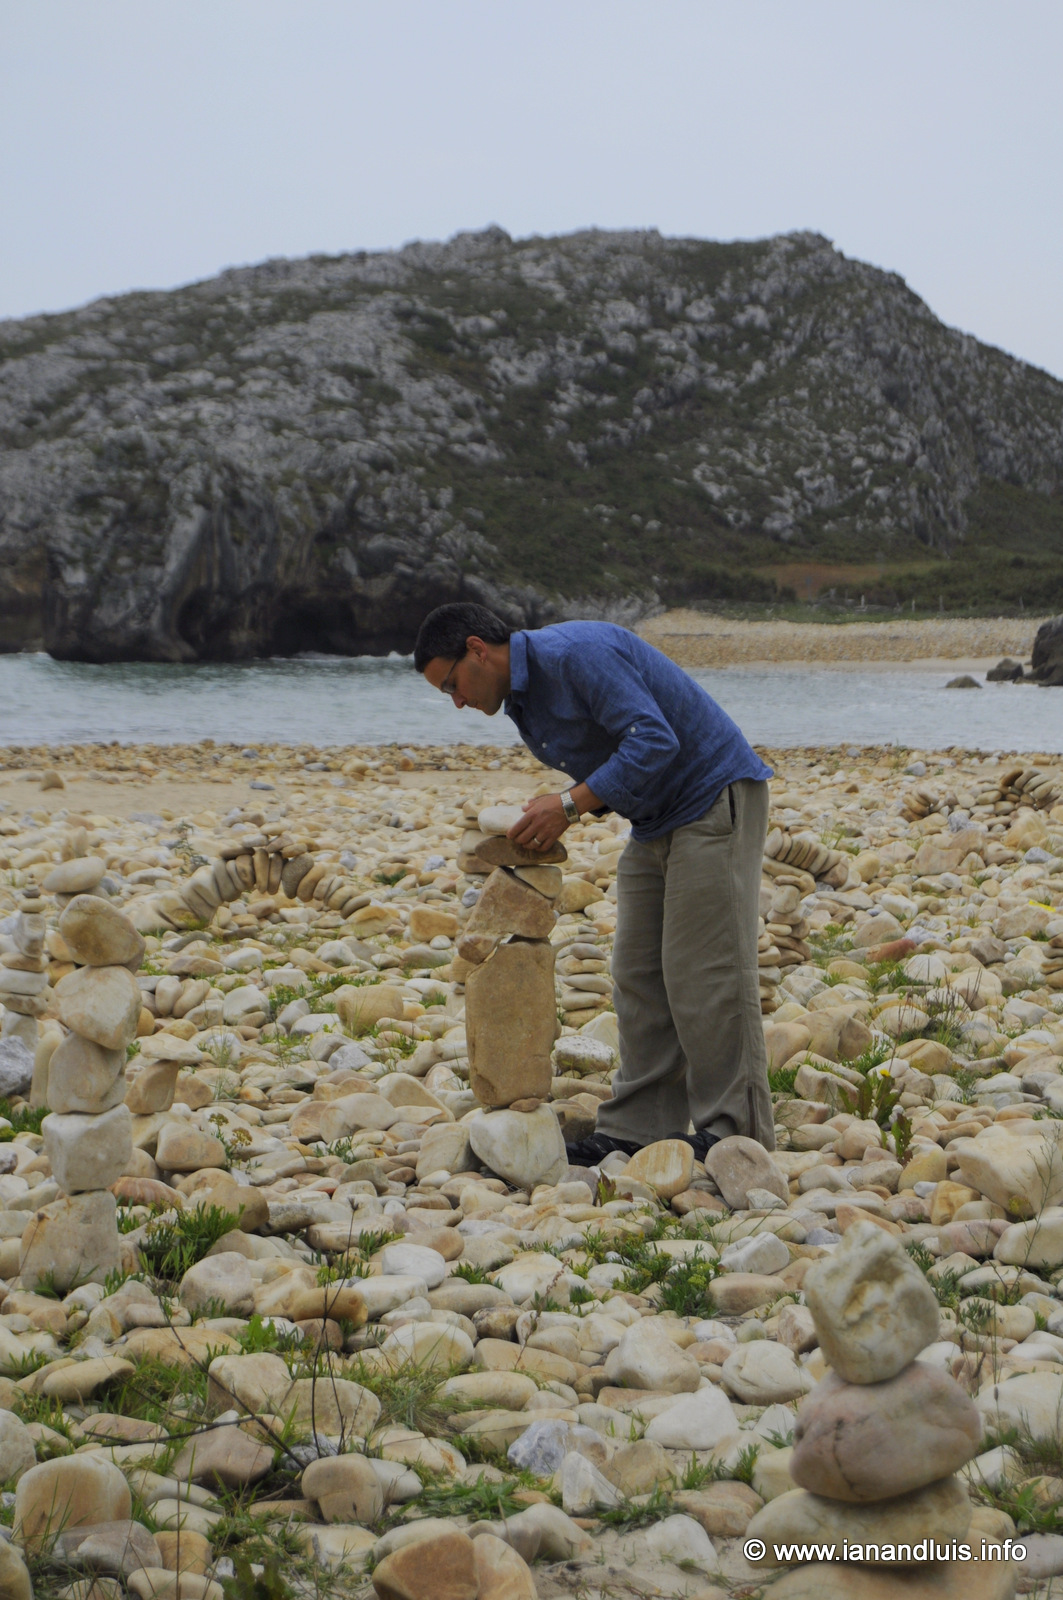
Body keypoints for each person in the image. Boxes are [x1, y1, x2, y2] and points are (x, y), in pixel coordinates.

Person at [414, 601, 776, 1163]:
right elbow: (611, 759)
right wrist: (557, 810)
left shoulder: (576, 654)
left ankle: (737, 1138)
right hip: (654, 820)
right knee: (637, 974)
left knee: (706, 975)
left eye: (452, 685)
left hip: (712, 796)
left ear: (478, 650)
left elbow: (653, 739)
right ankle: (639, 1128)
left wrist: (567, 806)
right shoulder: (523, 699)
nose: (457, 701)